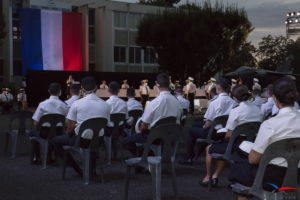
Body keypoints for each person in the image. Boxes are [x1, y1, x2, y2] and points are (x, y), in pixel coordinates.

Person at [228, 77, 300, 200]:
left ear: (275, 99)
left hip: (275, 177)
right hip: (297, 176)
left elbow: (253, 159)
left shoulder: (270, 124)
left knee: (240, 168)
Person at [199, 85, 264, 187]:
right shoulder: (258, 110)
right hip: (252, 143)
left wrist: (222, 138)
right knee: (223, 147)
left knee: (209, 148)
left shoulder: (236, 110)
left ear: (235, 97)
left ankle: (209, 177)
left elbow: (229, 134)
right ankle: (215, 176)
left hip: (237, 144)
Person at [53, 77, 111, 176]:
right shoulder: (106, 105)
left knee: (55, 140)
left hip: (81, 141)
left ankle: (78, 169)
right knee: (93, 136)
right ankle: (91, 169)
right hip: (99, 141)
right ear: (97, 88)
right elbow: (106, 124)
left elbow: (70, 129)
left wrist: (70, 133)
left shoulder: (76, 104)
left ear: (82, 89)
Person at [122, 73, 182, 155]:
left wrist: (142, 130)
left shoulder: (154, 103)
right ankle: (148, 155)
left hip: (154, 137)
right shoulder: (177, 103)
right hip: (171, 136)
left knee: (125, 141)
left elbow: (144, 125)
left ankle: (146, 155)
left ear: (157, 84)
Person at [180, 78, 236, 165]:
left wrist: (203, 127)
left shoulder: (214, 102)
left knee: (192, 130)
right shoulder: (234, 103)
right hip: (227, 132)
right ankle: (194, 154)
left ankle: (189, 157)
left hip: (215, 133)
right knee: (198, 127)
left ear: (217, 88)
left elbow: (208, 123)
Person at [31, 83, 68, 164]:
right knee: (53, 134)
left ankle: (37, 157)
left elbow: (35, 122)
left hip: (44, 133)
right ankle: (50, 156)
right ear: (60, 92)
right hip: (59, 133)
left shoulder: (42, 104)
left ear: (48, 91)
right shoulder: (64, 105)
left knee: (32, 132)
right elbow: (66, 123)